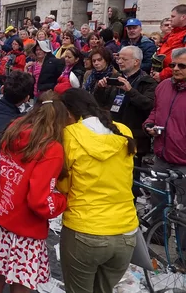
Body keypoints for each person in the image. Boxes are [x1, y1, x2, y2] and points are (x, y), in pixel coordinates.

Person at [0, 91, 67, 293]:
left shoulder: (14, 128)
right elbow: (39, 201)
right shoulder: (51, 148)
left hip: (0, 215)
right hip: (25, 227)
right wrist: (62, 200)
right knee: (22, 283)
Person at [59, 88, 138, 293]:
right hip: (126, 232)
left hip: (85, 231)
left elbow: (64, 186)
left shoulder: (69, 135)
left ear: (68, 113)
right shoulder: (123, 131)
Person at [144, 47, 186, 267]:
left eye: (181, 66)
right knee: (158, 200)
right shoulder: (163, 87)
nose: (175, 69)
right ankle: (158, 238)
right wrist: (149, 124)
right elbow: (155, 112)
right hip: (162, 155)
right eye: (173, 65)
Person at [94, 46, 157, 173]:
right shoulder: (116, 78)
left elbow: (149, 105)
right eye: (118, 58)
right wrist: (100, 88)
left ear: (136, 62)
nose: (120, 62)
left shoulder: (147, 82)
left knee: (132, 175)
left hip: (134, 136)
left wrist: (130, 91)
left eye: (124, 59)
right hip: (113, 133)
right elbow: (100, 103)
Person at [154, 4, 186, 82]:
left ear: (183, 17)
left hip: (177, 78)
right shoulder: (174, 32)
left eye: (173, 16)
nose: (170, 19)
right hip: (163, 74)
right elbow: (163, 48)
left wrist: (162, 75)